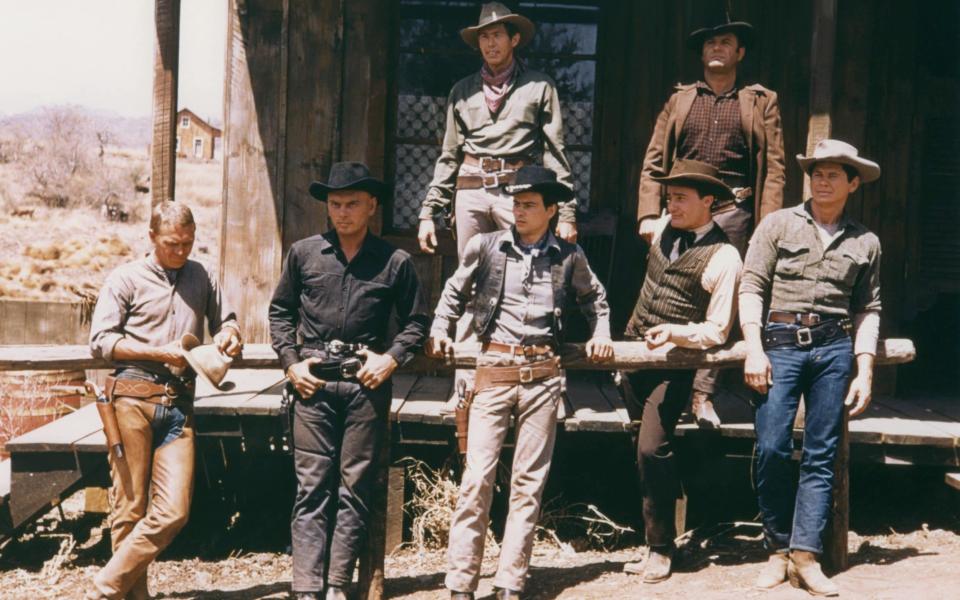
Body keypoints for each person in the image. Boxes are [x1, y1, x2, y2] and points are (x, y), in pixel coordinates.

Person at [427, 166, 612, 600]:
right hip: (493, 369)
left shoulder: (569, 256)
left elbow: (595, 299)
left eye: (529, 205)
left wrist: (601, 333)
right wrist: (440, 327)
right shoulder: (487, 246)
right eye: (516, 203)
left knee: (528, 484)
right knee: (477, 479)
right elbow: (454, 291)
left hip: (544, 376)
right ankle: (460, 584)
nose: (519, 211)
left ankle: (510, 581)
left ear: (551, 210)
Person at [268, 162, 429, 600]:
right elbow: (280, 313)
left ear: (371, 206)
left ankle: (337, 585)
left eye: (352, 204)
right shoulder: (304, 254)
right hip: (312, 384)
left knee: (355, 488)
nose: (342, 213)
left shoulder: (395, 262)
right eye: (335, 204)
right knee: (311, 488)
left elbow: (417, 322)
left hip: (365, 386)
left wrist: (391, 359)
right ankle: (306, 589)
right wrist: (290, 364)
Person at [740, 140, 882, 596]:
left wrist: (865, 368)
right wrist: (753, 348)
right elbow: (752, 286)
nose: (822, 181)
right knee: (773, 447)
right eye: (816, 173)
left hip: (834, 348)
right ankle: (776, 550)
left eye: (833, 175)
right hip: (779, 344)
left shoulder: (865, 241)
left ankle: (806, 556)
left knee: (821, 453)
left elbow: (868, 308)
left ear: (852, 183)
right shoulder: (778, 224)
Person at [86, 201, 243, 600]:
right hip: (131, 400)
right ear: (152, 237)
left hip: (178, 405)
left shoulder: (202, 275)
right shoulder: (125, 279)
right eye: (172, 243)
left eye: (187, 243)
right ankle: (130, 595)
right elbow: (102, 341)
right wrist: (159, 353)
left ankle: (108, 583)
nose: (181, 251)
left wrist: (230, 334)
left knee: (174, 511)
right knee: (129, 507)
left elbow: (227, 320)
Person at [636, 12, 785, 428]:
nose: (716, 48)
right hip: (682, 210)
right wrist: (651, 212)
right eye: (709, 44)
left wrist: (766, 226)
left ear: (739, 53)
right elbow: (653, 161)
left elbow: (773, 167)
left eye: (725, 43)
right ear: (701, 54)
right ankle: (652, 382)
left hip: (734, 211)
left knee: (725, 302)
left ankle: (703, 395)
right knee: (673, 292)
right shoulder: (681, 99)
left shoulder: (760, 100)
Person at [620, 160, 742, 583]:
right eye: (669, 197)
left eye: (681, 198)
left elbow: (717, 330)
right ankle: (652, 538)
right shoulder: (660, 229)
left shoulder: (725, 257)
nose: (672, 204)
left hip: (676, 366)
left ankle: (660, 548)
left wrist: (676, 333)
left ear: (709, 202)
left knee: (652, 447)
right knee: (642, 450)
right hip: (635, 357)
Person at [417, 1, 577, 257]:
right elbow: (449, 156)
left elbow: (554, 153)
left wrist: (567, 213)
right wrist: (428, 212)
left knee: (522, 267)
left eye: (497, 35)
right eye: (484, 37)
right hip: (470, 189)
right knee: (470, 271)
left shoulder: (540, 86)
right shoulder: (462, 91)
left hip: (516, 191)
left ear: (514, 39)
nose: (490, 44)